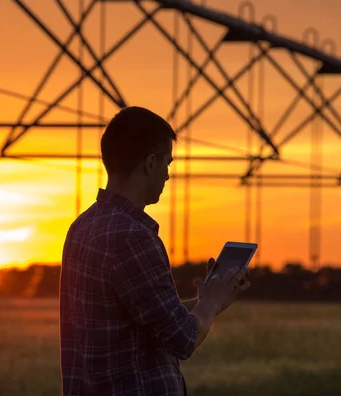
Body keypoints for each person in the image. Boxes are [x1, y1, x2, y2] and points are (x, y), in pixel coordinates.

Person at [59, 106, 251, 395]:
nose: (167, 175)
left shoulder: (81, 228)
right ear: (150, 163)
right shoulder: (134, 238)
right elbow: (183, 339)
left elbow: (148, 316)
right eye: (167, 163)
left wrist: (209, 299)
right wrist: (209, 304)